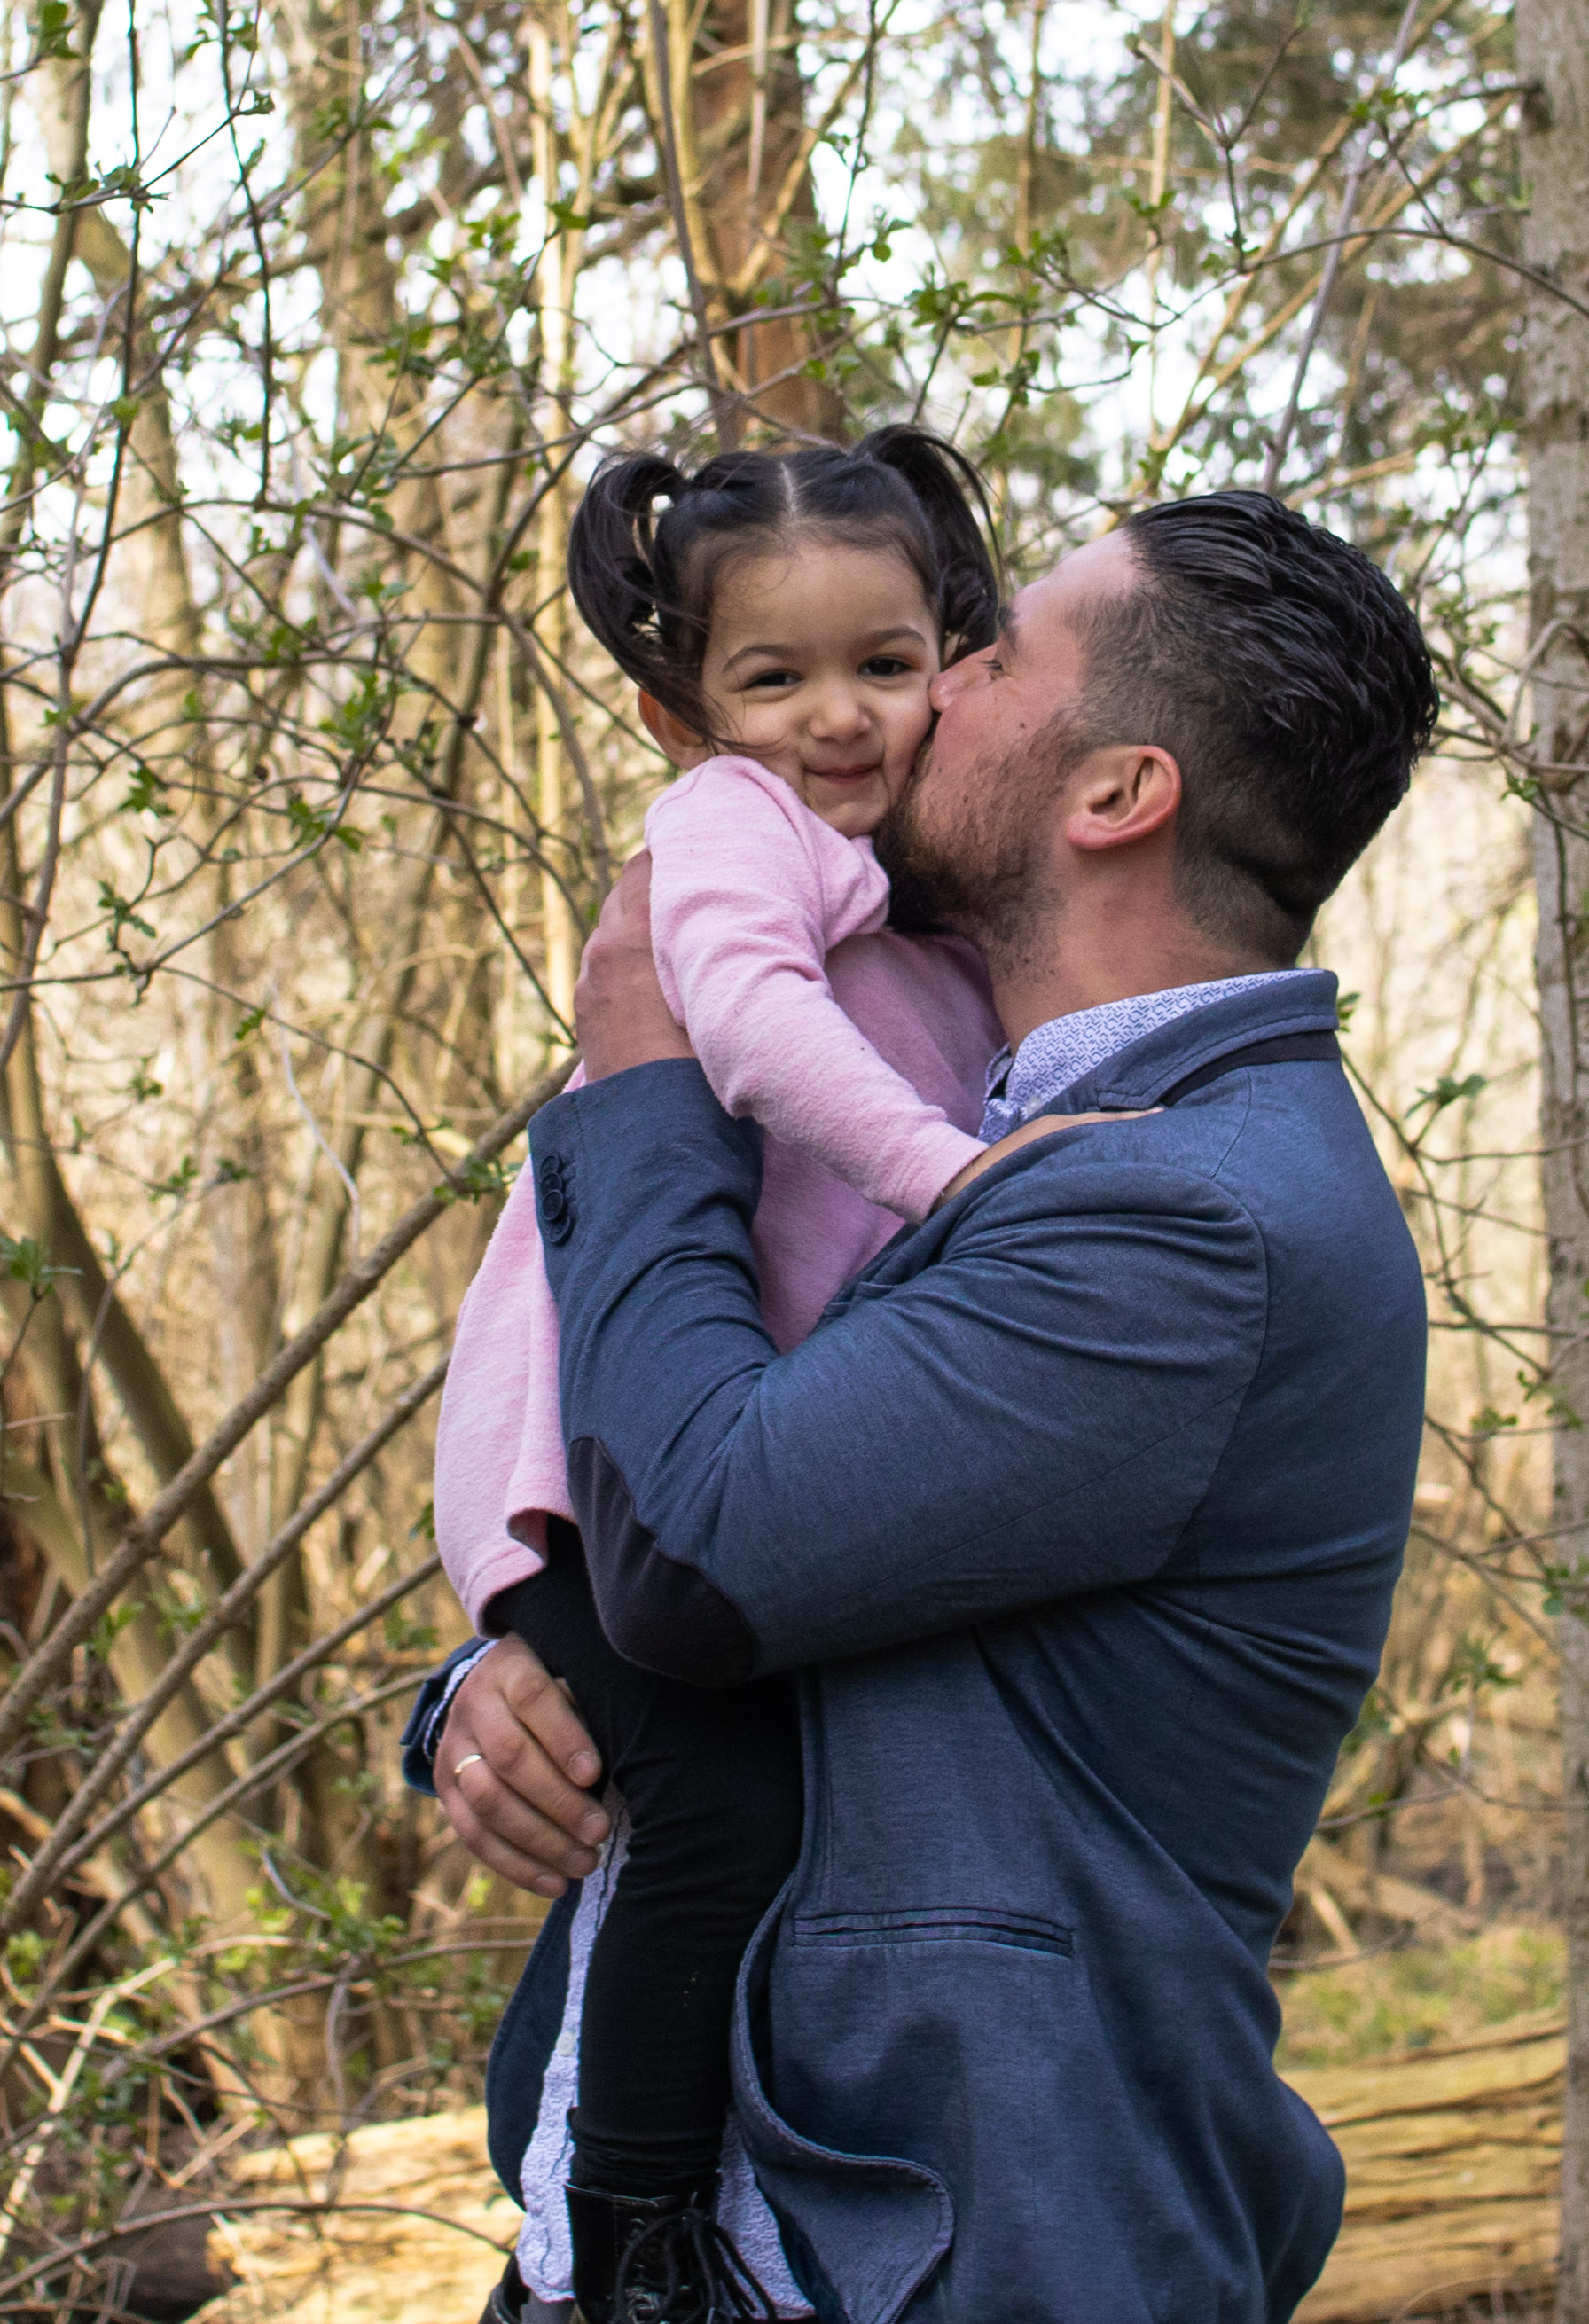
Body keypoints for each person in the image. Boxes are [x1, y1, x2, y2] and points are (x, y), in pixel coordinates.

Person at [406, 490, 1437, 2324]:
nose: (922, 686)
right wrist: (504, 1676)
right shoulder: (982, 1103)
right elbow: (798, 1529)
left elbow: (707, 1550)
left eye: (981, 655)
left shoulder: (1178, 1211)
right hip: (714, 2224)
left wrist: (648, 1062)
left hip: (950, 2241)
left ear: (1112, 793)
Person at [430, 430, 1006, 2322]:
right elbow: (744, 1034)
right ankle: (639, 2226)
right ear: (683, 711)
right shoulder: (732, 835)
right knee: (719, 1808)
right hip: (589, 1466)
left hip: (699, 1455)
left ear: (951, 652)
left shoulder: (909, 881)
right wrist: (954, 1181)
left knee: (745, 1793)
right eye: (772, 678)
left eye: (883, 661)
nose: (836, 717)